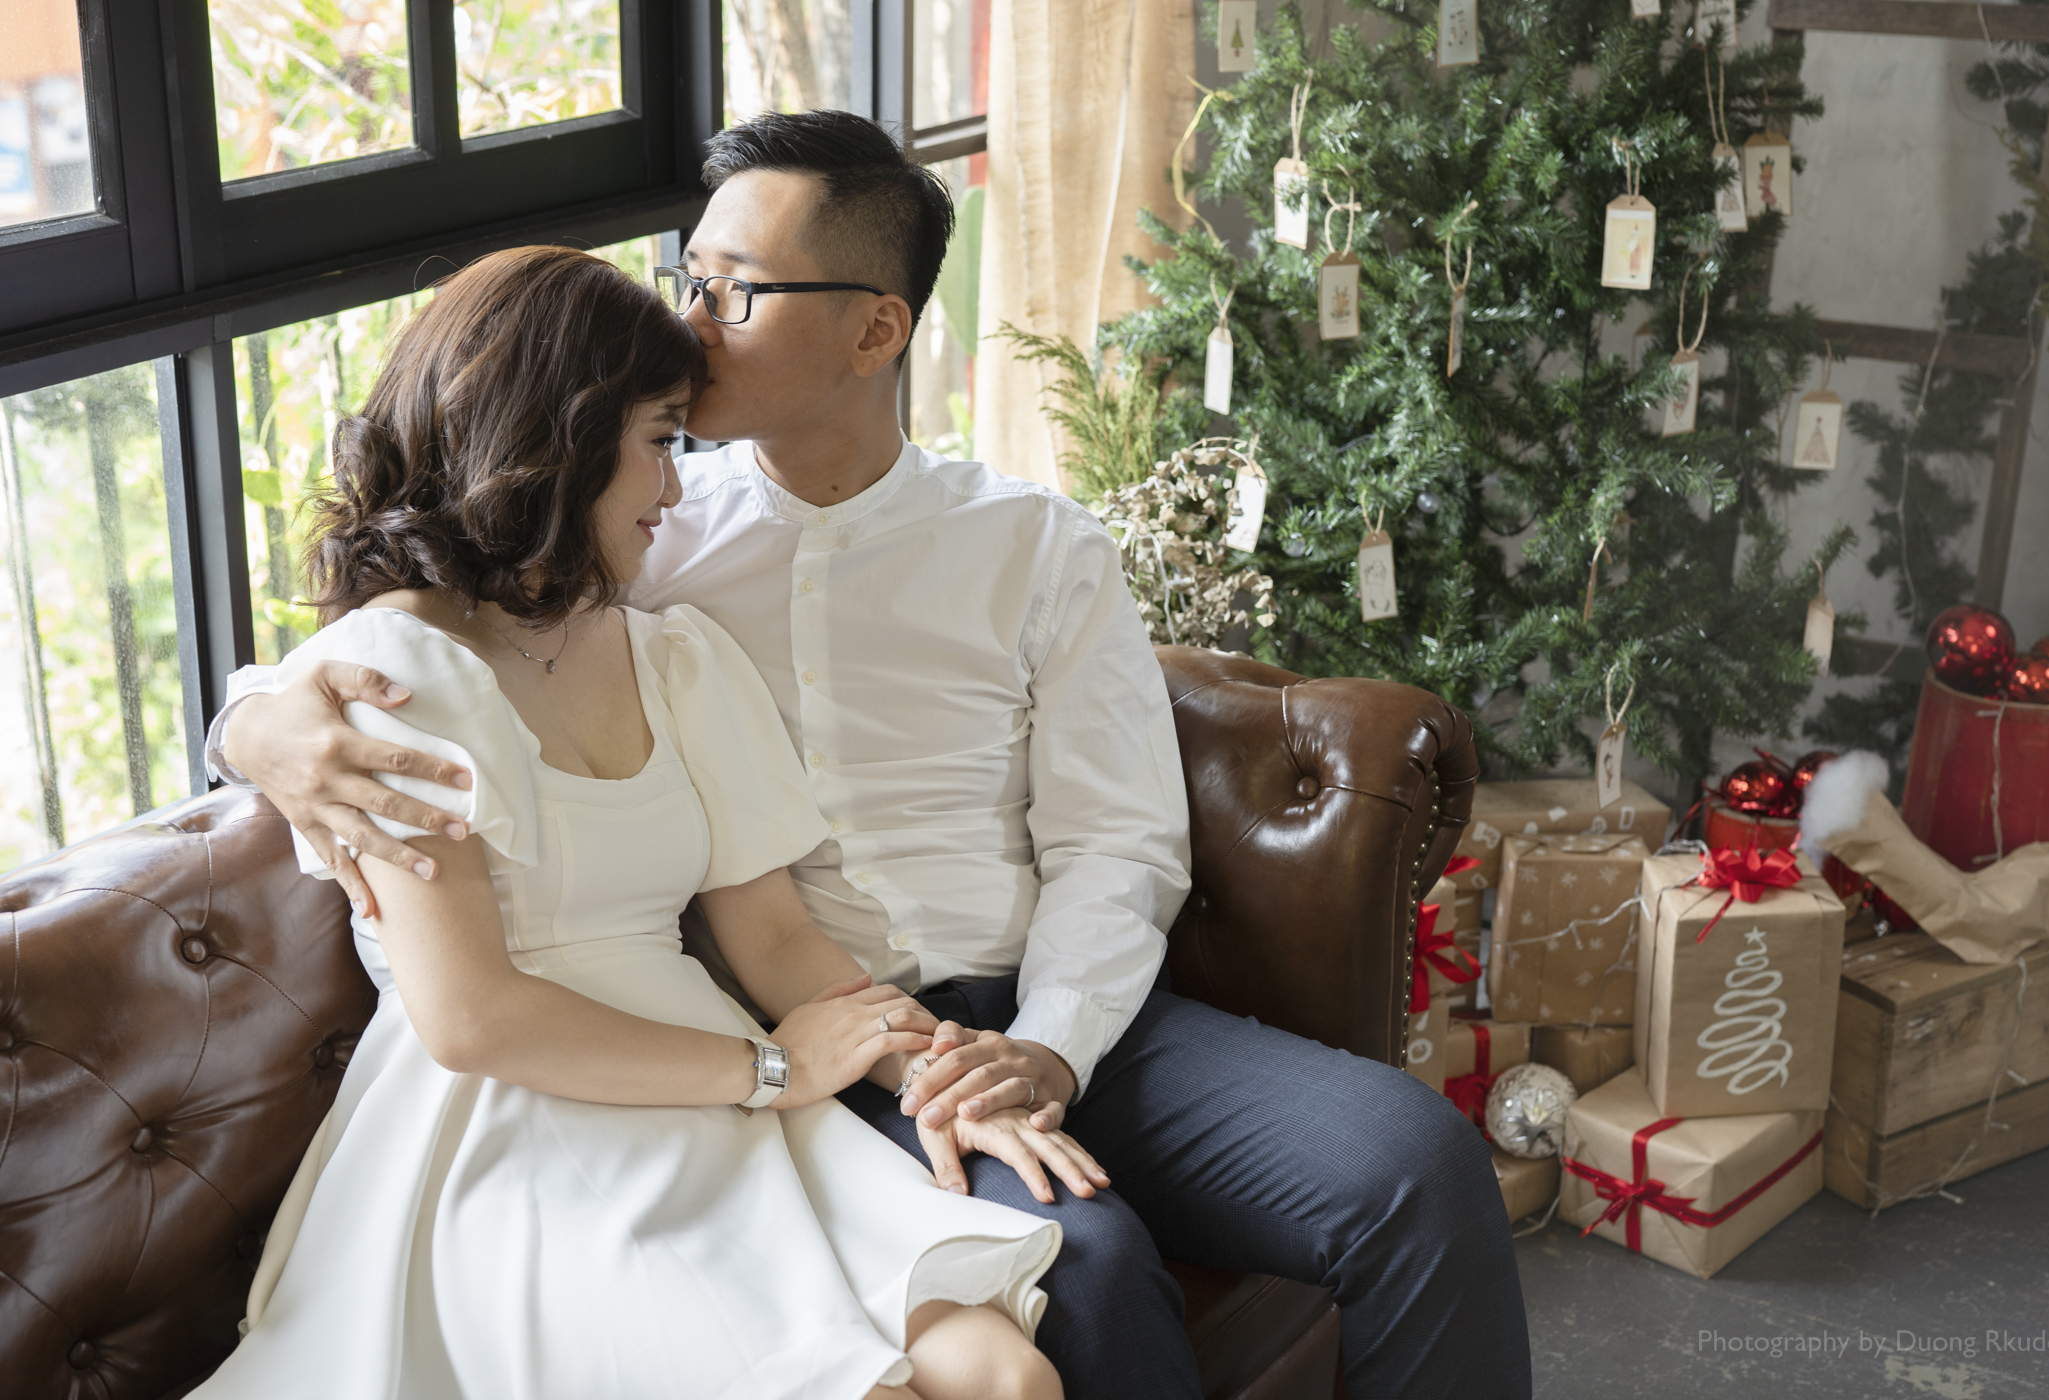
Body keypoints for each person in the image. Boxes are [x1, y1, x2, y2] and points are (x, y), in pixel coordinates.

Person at [214, 112, 1531, 1399]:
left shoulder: (1032, 544)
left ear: (875, 329)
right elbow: (437, 622)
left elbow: (1115, 843)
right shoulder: (636, 538)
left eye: (735, 289)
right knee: (1084, 1271)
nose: (692, 319)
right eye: (691, 279)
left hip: (1057, 1008)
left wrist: (1050, 1047)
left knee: (1415, 1162)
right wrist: (256, 723)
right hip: (821, 1037)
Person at [193, 244, 1069, 1400]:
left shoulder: (675, 653)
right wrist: (772, 1067)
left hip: (714, 1095)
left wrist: (938, 1068)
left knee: (1006, 1375)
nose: (676, 486)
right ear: (557, 439)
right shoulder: (393, 675)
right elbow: (472, 1017)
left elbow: (773, 937)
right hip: (523, 1123)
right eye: (659, 440)